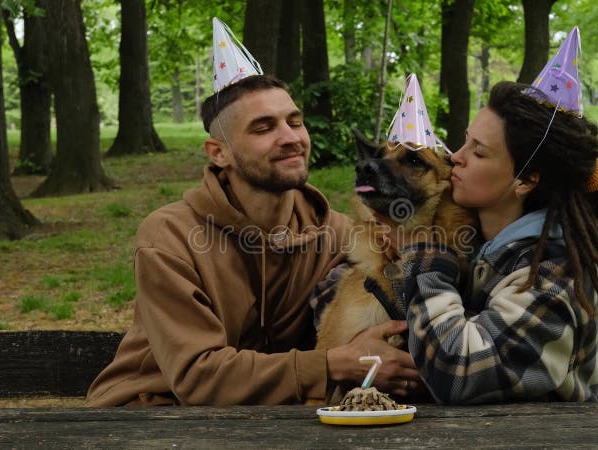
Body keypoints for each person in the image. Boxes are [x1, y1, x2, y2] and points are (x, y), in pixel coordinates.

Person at [85, 74, 420, 406]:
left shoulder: (337, 233)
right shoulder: (170, 237)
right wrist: (334, 364)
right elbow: (197, 377)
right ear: (219, 153)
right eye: (263, 128)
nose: (290, 138)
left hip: (271, 417)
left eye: (295, 122)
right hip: (149, 411)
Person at [397, 79, 598, 404]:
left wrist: (425, 245)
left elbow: (458, 372)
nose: (456, 158)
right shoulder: (475, 248)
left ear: (527, 180)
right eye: (464, 142)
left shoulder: (554, 273)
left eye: (478, 152)